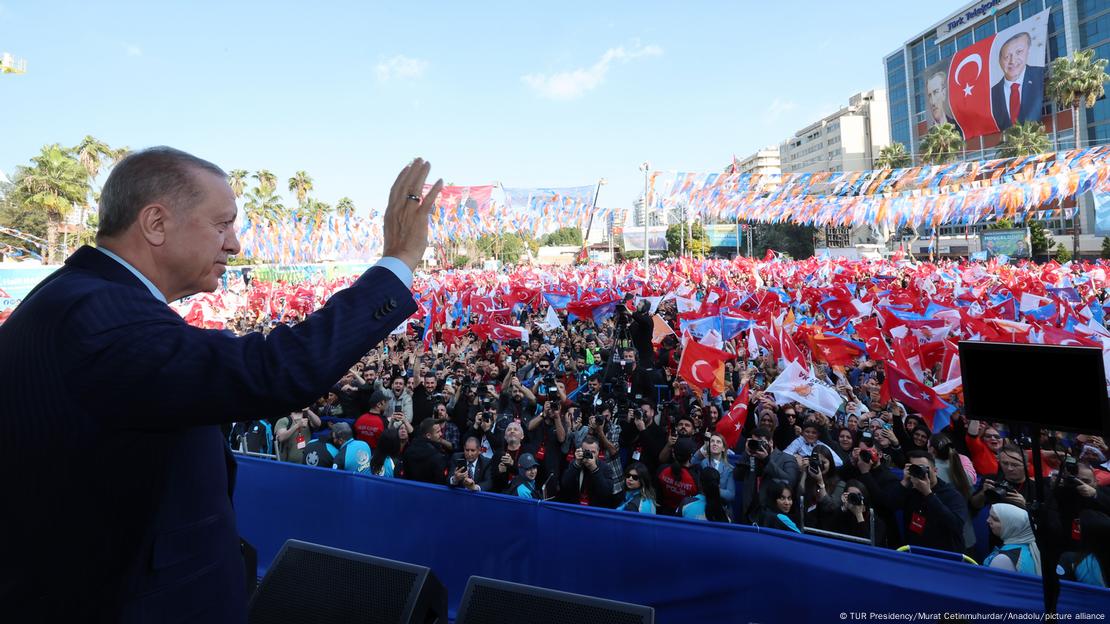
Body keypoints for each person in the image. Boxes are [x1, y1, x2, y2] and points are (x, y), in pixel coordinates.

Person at [0, 147, 442, 621]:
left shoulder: (76, 297)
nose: (234, 245)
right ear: (155, 223)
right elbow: (273, 370)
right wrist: (397, 261)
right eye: (222, 224)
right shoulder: (100, 317)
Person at [863, 450, 969, 553]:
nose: (920, 472)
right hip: (915, 553)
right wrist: (904, 482)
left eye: (923, 468)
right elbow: (889, 506)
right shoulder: (910, 489)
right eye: (915, 468)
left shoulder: (951, 494)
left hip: (944, 555)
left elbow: (956, 525)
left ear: (935, 471)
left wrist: (928, 494)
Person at [735, 427, 801, 524]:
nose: (757, 446)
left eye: (760, 443)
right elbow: (737, 476)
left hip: (773, 517)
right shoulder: (751, 457)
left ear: (770, 443)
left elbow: (789, 481)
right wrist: (746, 454)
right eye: (754, 442)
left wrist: (767, 460)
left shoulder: (787, 459)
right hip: (749, 513)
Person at [990, 31, 1045, 132]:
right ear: (999, 61)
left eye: (1019, 52)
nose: (1012, 61)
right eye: (1007, 56)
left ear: (1028, 51)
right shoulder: (991, 94)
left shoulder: (1041, 76)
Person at [983, 503, 1042, 576]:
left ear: (1012, 527)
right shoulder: (1034, 549)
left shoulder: (1003, 560)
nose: (988, 520)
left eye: (995, 519)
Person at [560, 436, 617, 507]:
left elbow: (606, 493)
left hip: (595, 510)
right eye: (586, 451)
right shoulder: (575, 464)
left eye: (593, 452)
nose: (589, 455)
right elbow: (565, 485)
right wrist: (576, 465)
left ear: (598, 452)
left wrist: (594, 469)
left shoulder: (605, 468)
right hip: (575, 507)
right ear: (581, 450)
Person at [402, 418, 450, 485]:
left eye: (441, 431)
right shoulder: (437, 456)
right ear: (428, 436)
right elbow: (441, 482)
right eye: (438, 432)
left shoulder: (408, 450)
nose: (441, 434)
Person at [692, 432, 737, 504]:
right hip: (702, 503)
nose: (715, 443)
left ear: (723, 448)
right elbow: (692, 461)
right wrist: (705, 445)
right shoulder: (703, 462)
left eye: (718, 442)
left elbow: (731, 495)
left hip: (720, 505)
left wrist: (713, 489)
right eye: (712, 441)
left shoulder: (729, 469)